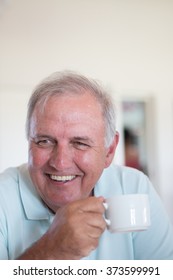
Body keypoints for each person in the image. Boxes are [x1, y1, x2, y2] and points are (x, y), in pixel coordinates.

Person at [0, 71, 173, 260]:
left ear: (109, 151)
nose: (60, 163)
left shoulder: (133, 187)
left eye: (80, 143)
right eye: (45, 141)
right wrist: (50, 251)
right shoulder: (4, 195)